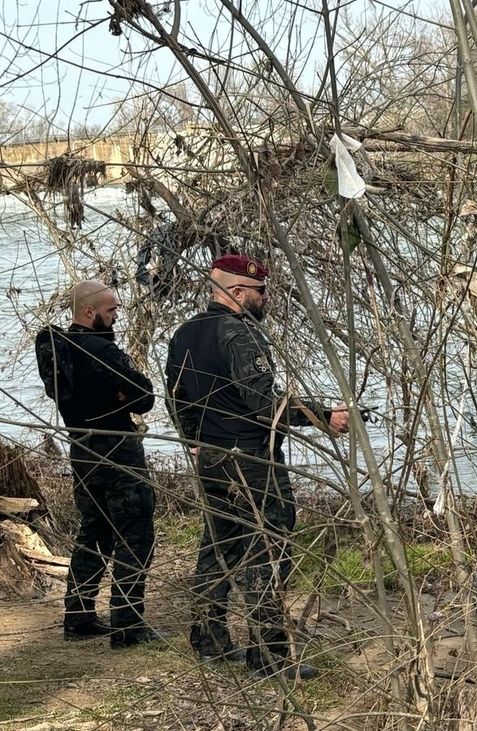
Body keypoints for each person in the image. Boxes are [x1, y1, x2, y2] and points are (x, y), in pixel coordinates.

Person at [165, 254, 346, 679]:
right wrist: (322, 415)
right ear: (239, 292)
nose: (266, 299)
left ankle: (208, 640)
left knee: (218, 545)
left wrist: (192, 439)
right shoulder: (240, 334)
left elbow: (176, 396)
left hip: (211, 458)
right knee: (268, 547)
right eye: (261, 292)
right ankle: (268, 656)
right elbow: (264, 403)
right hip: (250, 459)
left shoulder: (185, 333)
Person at [35, 281, 160, 647]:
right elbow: (145, 396)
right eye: (111, 310)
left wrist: (127, 393)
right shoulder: (101, 350)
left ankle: (78, 616)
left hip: (82, 451)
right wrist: (125, 394)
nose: (116, 315)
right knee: (136, 535)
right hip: (118, 451)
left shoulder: (61, 350)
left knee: (94, 532)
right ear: (88, 312)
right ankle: (128, 624)